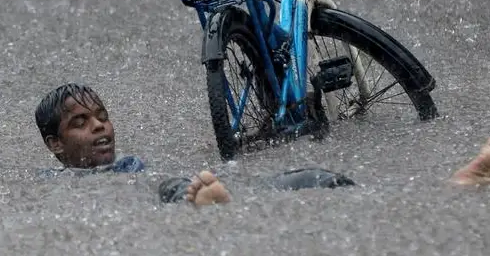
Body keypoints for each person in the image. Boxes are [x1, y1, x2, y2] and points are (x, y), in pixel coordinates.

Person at [34, 83, 355, 206]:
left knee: (290, 181)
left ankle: (325, 180)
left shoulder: (130, 165)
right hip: (167, 196)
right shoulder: (55, 186)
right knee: (171, 188)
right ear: (55, 145)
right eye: (80, 122)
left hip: (178, 187)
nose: (99, 125)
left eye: (102, 116)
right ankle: (205, 202)